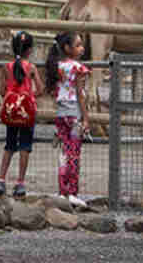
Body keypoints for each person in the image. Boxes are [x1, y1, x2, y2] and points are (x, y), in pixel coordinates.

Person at [44, 30, 91, 207]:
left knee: (64, 153)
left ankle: (62, 191)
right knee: (74, 153)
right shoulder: (77, 68)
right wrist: (86, 118)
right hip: (74, 114)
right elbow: (80, 94)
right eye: (78, 45)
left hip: (61, 114)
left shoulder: (56, 66)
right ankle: (72, 192)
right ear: (67, 48)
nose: (82, 48)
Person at [0, 30, 38, 198]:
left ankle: (1, 180)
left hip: (12, 113)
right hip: (26, 114)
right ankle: (20, 183)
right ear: (30, 50)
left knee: (9, 146)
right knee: (25, 147)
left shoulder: (7, 67)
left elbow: (1, 91)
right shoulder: (32, 68)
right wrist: (30, 94)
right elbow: (40, 89)